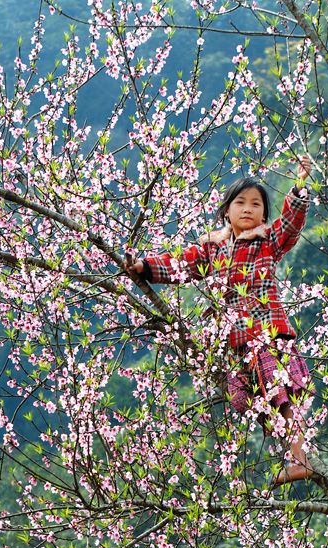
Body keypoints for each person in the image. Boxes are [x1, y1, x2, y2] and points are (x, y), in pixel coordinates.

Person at [126, 156, 314, 486]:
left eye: (256, 204)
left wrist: (299, 187)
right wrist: (144, 266)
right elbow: (178, 265)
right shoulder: (212, 249)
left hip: (268, 334)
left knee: (284, 397)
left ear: (263, 215)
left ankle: (300, 460)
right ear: (226, 210)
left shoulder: (267, 242)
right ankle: (292, 456)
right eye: (240, 202)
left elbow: (291, 224)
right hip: (236, 344)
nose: (248, 209)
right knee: (260, 402)